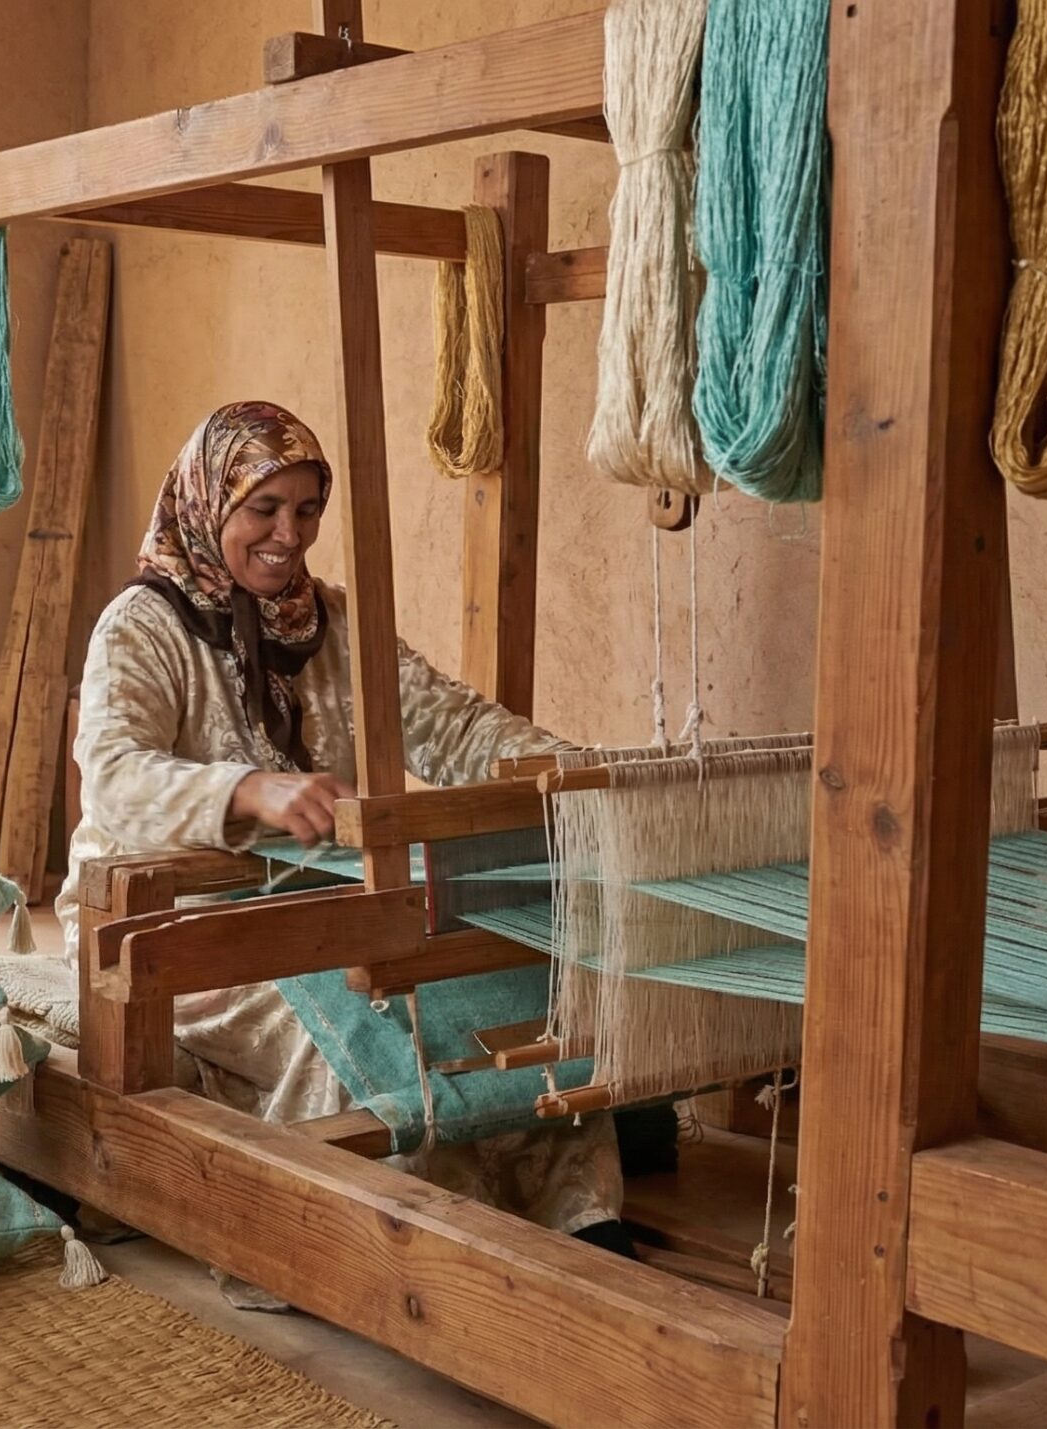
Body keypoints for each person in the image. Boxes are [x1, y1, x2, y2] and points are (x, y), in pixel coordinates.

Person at [54, 400, 636, 1299]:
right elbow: (116, 778)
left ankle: (579, 1220)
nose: (289, 534)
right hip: (176, 918)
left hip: (326, 904)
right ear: (210, 503)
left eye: (306, 509)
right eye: (263, 508)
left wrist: (590, 774)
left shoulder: (331, 623)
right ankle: (393, 1246)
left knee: (503, 999)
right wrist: (250, 788)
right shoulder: (142, 625)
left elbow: (452, 724)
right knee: (346, 1027)